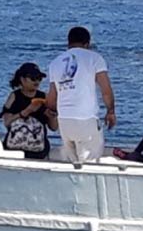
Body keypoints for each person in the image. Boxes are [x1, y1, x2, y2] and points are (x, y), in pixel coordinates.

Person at [45, 26, 115, 163]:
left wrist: (53, 114)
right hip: (86, 118)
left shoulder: (55, 63)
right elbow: (105, 89)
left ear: (68, 42)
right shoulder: (94, 58)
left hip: (65, 120)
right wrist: (111, 111)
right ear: (87, 43)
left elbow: (52, 99)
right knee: (90, 163)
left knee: (73, 162)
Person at [0, 62, 57, 160]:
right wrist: (26, 112)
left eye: (39, 78)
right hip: (15, 150)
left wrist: (52, 115)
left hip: (39, 151)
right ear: (22, 79)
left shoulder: (44, 97)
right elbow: (7, 122)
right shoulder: (14, 97)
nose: (36, 81)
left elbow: (54, 127)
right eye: (33, 78)